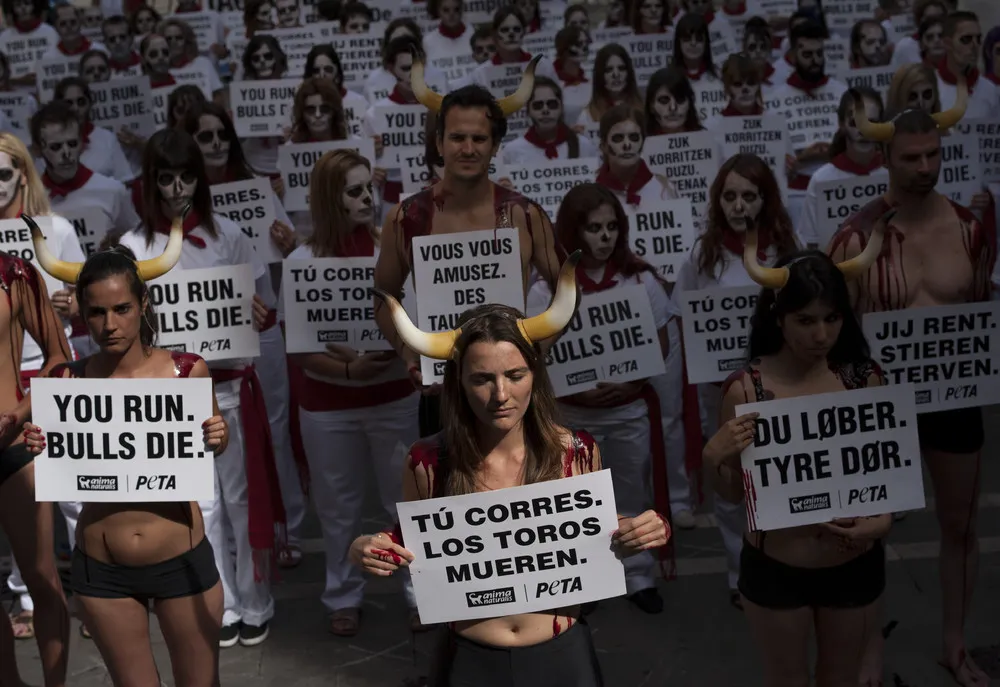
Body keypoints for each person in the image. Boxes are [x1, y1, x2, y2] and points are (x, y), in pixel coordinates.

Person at [352, 261, 670, 685]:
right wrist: (368, 547)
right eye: (482, 379)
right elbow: (410, 538)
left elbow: (596, 535)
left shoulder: (576, 451)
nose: (501, 395)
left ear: (534, 376)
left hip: (563, 655)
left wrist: (642, 529)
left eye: (515, 375)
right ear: (458, 384)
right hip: (468, 657)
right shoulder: (427, 460)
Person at [828, 83, 995, 687]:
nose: (924, 167)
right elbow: (835, 333)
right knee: (867, 536)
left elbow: (979, 316)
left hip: (953, 396)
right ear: (886, 159)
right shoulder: (856, 237)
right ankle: (868, 653)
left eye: (933, 155)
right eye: (911, 157)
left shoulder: (972, 229)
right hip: (881, 400)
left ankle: (955, 643)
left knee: (961, 523)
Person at [22, 213, 229, 687]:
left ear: (144, 304)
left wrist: (220, 435)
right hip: (102, 571)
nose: (109, 324)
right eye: (96, 312)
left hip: (182, 561)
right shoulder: (65, 383)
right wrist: (40, 444)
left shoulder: (187, 371)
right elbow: (57, 455)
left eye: (121, 309)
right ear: (80, 311)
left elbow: (214, 442)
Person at [115, 128, 285, 649]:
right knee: (199, 505)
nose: (176, 188)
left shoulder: (229, 234)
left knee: (239, 499)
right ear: (150, 183)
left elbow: (260, 306)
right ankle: (223, 602)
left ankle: (255, 601)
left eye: (186, 176)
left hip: (228, 385)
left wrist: (259, 316)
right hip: (165, 397)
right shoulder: (131, 246)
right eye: (165, 178)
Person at [704, 220, 890, 687]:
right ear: (778, 318)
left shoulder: (865, 380)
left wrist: (881, 522)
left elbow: (887, 479)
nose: (821, 334)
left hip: (854, 567)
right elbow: (733, 498)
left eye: (832, 318)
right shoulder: (747, 388)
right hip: (777, 571)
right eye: (805, 321)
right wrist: (714, 459)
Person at [374, 65, 565, 439]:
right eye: (457, 137)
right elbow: (383, 296)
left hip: (517, 394)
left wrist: (536, 352)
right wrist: (407, 353)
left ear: (495, 146)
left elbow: (567, 289)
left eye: (479, 139)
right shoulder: (407, 217)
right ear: (439, 142)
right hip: (442, 390)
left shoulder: (525, 215)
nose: (467, 148)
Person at [282, 148, 420, 635]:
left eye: (370, 188)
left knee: (402, 501)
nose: (369, 198)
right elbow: (298, 348)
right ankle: (342, 594)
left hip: (393, 399)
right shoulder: (300, 261)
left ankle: (418, 591)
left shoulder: (395, 249)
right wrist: (347, 373)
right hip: (327, 407)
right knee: (337, 508)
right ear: (328, 199)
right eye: (355, 191)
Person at [529, 183, 674, 613]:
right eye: (594, 228)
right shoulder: (546, 290)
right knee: (577, 500)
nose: (605, 236)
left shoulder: (642, 279)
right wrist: (576, 385)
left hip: (628, 410)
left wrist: (631, 385)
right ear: (574, 231)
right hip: (571, 415)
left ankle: (638, 575)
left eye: (612, 227)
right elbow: (536, 357)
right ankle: (585, 579)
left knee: (631, 493)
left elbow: (661, 344)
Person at [676, 153, 800, 610]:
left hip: (780, 389)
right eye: (729, 195)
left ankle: (783, 562)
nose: (738, 205)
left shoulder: (790, 248)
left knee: (778, 480)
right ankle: (737, 573)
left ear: (766, 200)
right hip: (721, 395)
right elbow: (684, 316)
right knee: (730, 483)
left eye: (749, 195)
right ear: (717, 200)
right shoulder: (700, 255)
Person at [182, 101, 303, 566]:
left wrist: (289, 244)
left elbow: (284, 250)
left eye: (221, 136)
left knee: (271, 432)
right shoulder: (181, 206)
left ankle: (285, 524)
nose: (215, 145)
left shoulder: (257, 190)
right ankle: (230, 539)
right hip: (205, 347)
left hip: (262, 329)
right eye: (204, 137)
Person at [0, 134, 72, 687]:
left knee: (44, 579)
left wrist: (22, 410)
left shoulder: (15, 275)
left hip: (13, 446)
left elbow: (59, 357)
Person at [797, 88, 887, 249]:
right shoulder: (821, 180)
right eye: (855, 123)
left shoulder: (894, 174)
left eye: (871, 122)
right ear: (841, 124)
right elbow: (810, 244)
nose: (864, 131)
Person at [501, 76, 598, 164]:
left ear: (561, 107)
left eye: (552, 104)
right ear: (528, 111)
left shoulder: (584, 146)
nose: (545, 110)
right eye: (538, 105)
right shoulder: (512, 151)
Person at [595, 105, 678, 206]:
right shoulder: (591, 194)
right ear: (603, 146)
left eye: (634, 137)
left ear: (643, 143)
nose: (627, 145)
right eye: (618, 138)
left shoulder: (665, 189)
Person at [935, 11, 998, 119]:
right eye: (966, 39)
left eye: (978, 39)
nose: (975, 46)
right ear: (947, 43)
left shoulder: (991, 91)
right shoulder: (928, 87)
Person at [575, 44, 643, 134]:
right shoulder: (587, 116)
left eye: (621, 68)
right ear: (600, 75)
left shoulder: (644, 110)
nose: (616, 74)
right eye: (609, 70)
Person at [643, 66, 703, 136]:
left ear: (690, 103)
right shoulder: (641, 143)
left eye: (680, 99)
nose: (673, 108)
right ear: (651, 106)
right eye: (664, 100)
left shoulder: (705, 139)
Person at [550, 25, 590, 124]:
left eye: (586, 43)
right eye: (579, 44)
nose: (584, 48)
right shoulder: (552, 82)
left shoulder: (590, 81)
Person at [890, 0, 948, 67]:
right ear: (919, 20)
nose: (935, 22)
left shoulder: (952, 44)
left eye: (940, 17)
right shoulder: (905, 46)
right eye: (929, 18)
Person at [672, 13, 718, 82]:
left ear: (706, 42)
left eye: (699, 39)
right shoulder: (667, 78)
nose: (693, 43)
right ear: (678, 42)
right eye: (687, 38)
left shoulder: (720, 76)